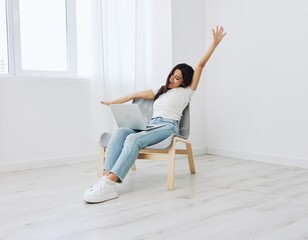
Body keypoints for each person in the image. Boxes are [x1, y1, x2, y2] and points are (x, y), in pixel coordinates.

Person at [83, 26, 226, 203]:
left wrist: (214, 43)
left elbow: (201, 65)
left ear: (185, 82)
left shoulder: (187, 92)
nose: (172, 79)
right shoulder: (160, 90)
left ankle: (110, 184)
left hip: (168, 126)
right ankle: (104, 181)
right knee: (121, 132)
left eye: (177, 78)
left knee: (133, 140)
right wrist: (113, 102)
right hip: (151, 125)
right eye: (172, 75)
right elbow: (132, 95)